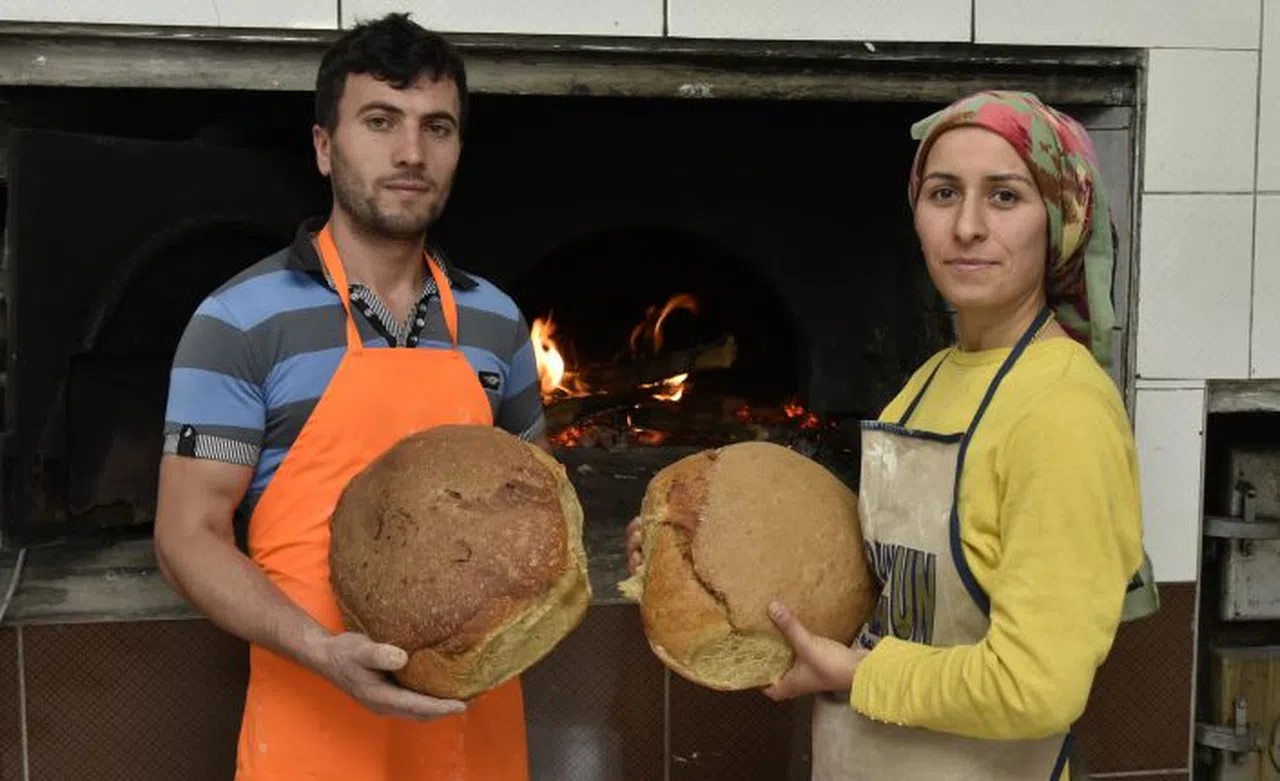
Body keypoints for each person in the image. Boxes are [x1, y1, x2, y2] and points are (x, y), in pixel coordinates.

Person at [624, 90, 1157, 780]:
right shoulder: (934, 379)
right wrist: (691, 552)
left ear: (1059, 218)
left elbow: (1038, 687)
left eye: (1004, 196)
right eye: (943, 193)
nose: (966, 226)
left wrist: (856, 673)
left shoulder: (1063, 412)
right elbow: (884, 584)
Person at [154, 13, 545, 781]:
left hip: (476, 738)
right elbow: (186, 534)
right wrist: (320, 651)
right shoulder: (238, 321)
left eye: (438, 127)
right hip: (313, 726)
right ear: (324, 147)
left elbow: (535, 513)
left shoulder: (498, 325)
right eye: (380, 121)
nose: (411, 152)